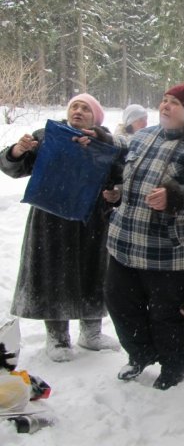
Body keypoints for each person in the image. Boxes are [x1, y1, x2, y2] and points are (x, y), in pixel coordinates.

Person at [101, 82, 184, 390]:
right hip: (125, 243)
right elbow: (130, 179)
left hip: (169, 252)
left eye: (174, 102)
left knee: (166, 314)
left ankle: (173, 368)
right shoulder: (142, 137)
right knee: (120, 304)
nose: (165, 106)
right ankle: (140, 354)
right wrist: (118, 193)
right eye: (164, 100)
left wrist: (179, 197)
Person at [0, 93, 120, 362]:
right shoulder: (46, 136)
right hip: (50, 221)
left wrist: (117, 193)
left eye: (85, 108)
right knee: (53, 274)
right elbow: (12, 167)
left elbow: (119, 177)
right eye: (74, 106)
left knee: (93, 272)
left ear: (96, 117)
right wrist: (18, 150)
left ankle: (91, 332)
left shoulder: (104, 143)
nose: (78, 111)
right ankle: (57, 337)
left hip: (91, 220)